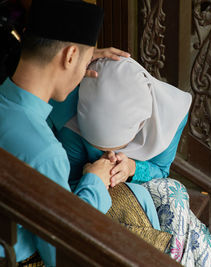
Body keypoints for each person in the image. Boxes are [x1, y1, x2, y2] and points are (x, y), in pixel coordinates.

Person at [0, 1, 168, 266]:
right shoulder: (46, 152)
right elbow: (60, 254)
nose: (85, 73)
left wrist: (79, 56)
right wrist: (94, 181)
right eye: (84, 61)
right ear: (69, 56)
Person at [53, 57, 211, 266]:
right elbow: (70, 185)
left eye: (118, 145)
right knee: (181, 210)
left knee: (174, 192)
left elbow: (161, 170)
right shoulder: (70, 118)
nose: (110, 153)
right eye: (99, 146)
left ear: (141, 124)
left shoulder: (169, 115)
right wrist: (92, 174)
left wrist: (132, 168)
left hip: (142, 194)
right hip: (97, 199)